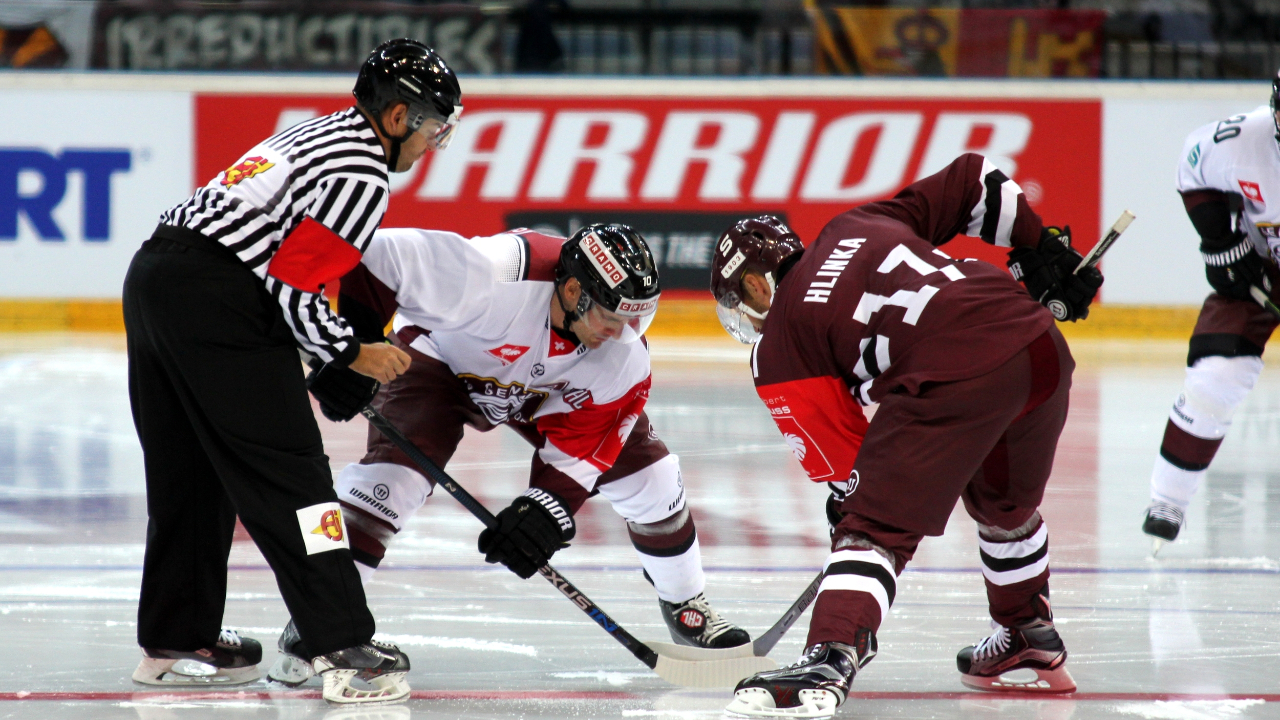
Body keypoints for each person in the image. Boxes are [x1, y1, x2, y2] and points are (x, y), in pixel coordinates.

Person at [121, 38, 460, 704]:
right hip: (221, 304)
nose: (433, 144)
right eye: (434, 128)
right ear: (397, 118)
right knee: (297, 477)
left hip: (155, 281)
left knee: (191, 472)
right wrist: (352, 351)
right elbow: (295, 288)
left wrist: (326, 348)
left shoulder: (321, 132)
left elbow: (277, 274)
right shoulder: (364, 171)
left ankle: (175, 639)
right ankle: (341, 645)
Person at [267, 222, 751, 684]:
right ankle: (315, 617)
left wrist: (543, 510)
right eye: (612, 315)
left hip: (546, 391)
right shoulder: (494, 274)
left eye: (635, 318)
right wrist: (354, 346)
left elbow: (579, 456)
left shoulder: (619, 353)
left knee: (653, 478)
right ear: (573, 291)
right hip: (441, 361)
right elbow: (381, 255)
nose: (623, 332)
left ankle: (687, 604)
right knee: (388, 488)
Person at [710, 153, 1103, 717]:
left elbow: (846, 472)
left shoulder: (778, 347)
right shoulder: (855, 224)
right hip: (1035, 342)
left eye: (741, 303)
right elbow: (975, 180)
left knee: (871, 527)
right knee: (1003, 505)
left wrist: (854, 508)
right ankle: (1026, 635)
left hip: (952, 368)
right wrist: (1037, 246)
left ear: (754, 282)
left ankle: (831, 653)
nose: (747, 318)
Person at [1140, 75, 1280, 554]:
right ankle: (1168, 500)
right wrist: (1222, 242)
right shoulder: (1241, 140)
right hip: (1258, 272)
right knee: (1213, 379)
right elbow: (1193, 166)